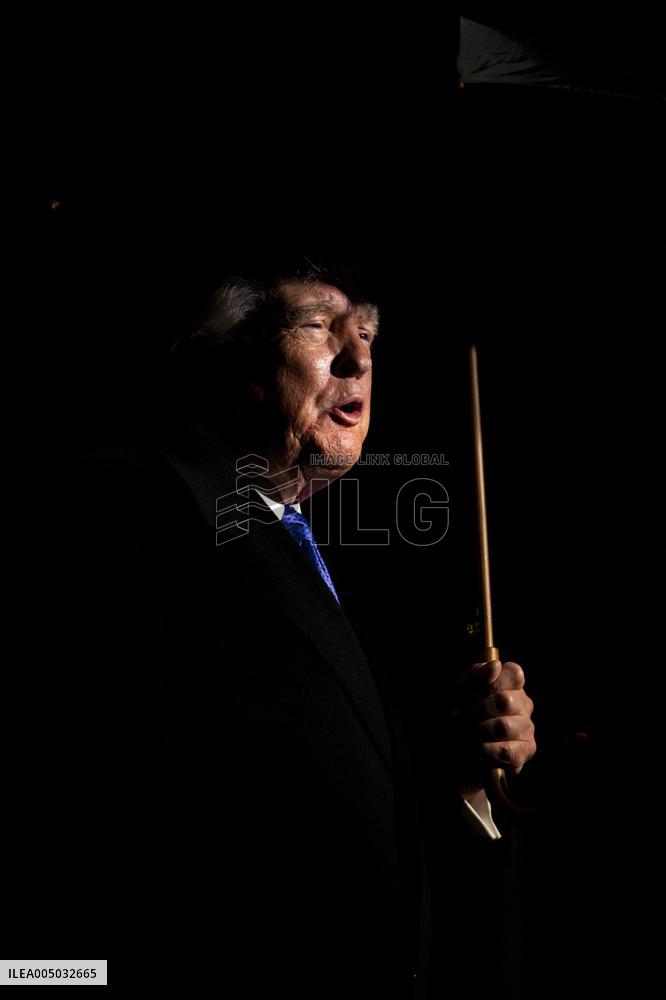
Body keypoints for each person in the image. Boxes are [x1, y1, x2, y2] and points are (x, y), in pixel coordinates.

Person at [36, 258, 536, 997]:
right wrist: (58, 981)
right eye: (318, 325)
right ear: (219, 354)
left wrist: (462, 776)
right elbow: (90, 808)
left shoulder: (311, 556)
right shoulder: (123, 499)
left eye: (365, 333)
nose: (359, 356)